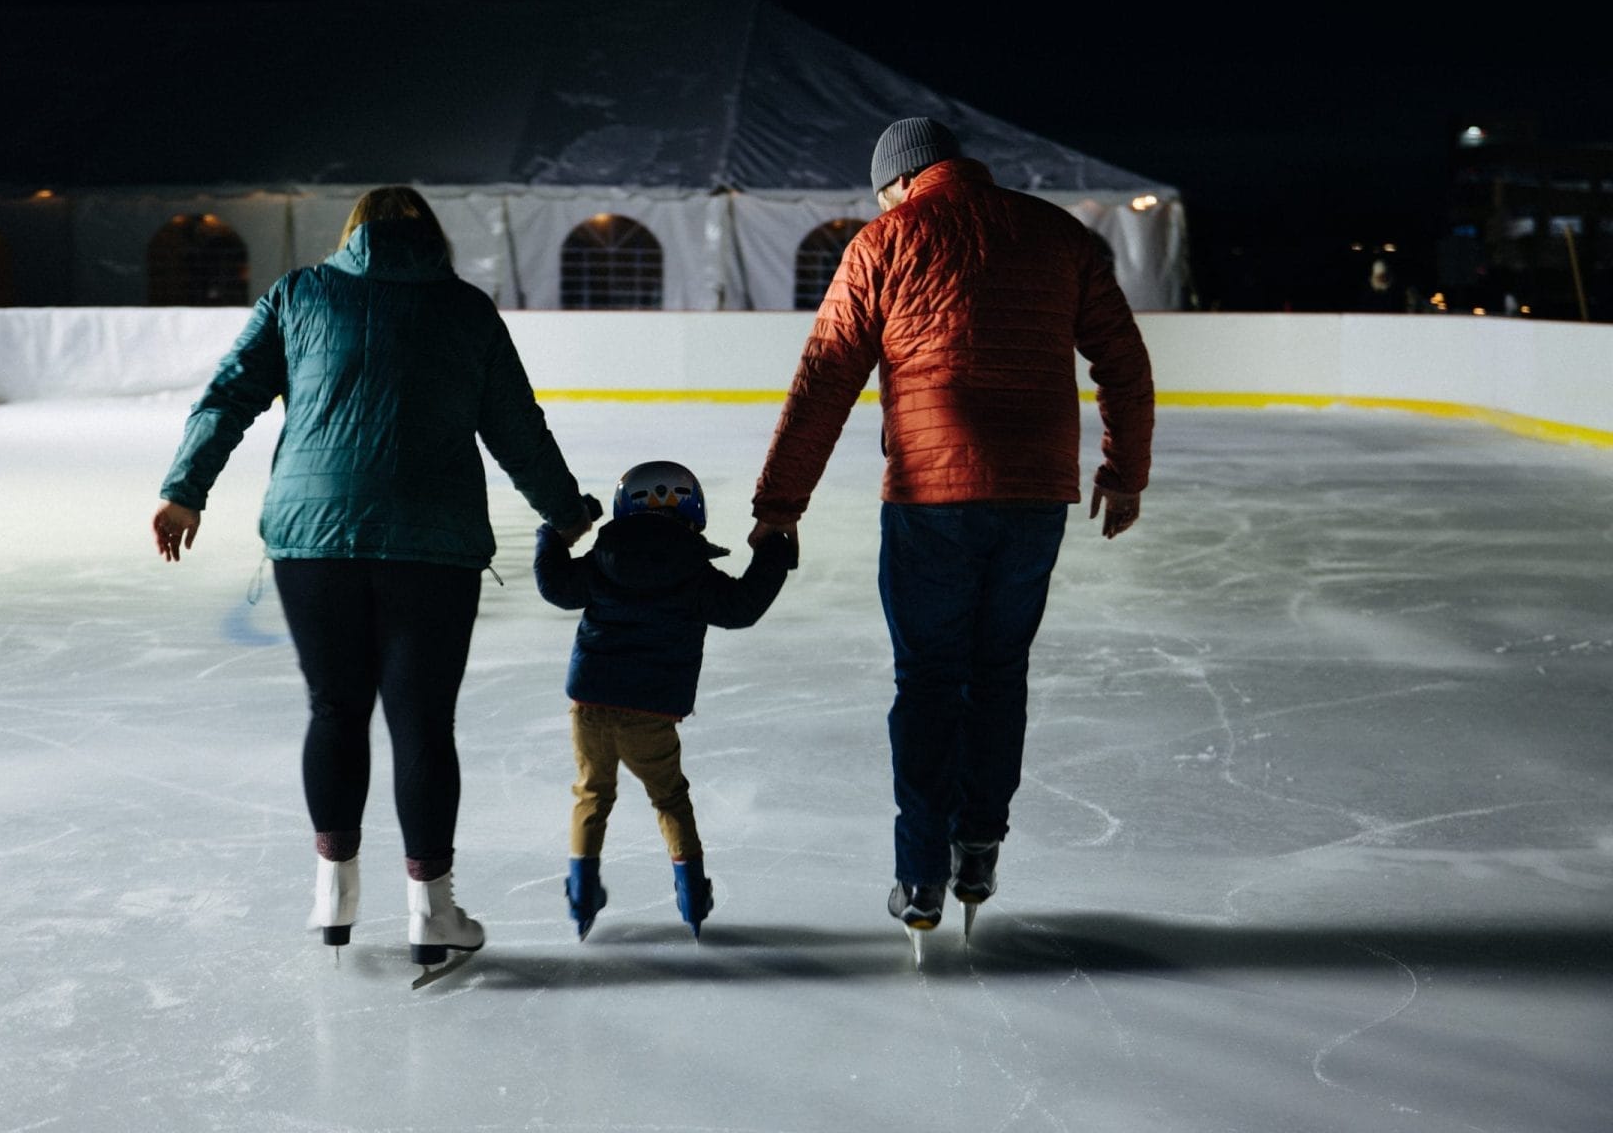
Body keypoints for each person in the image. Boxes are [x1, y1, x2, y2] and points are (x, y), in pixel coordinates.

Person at [151, 185, 594, 975]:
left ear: (353, 234)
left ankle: (334, 892)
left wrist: (186, 489)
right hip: (431, 542)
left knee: (335, 707)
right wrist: (565, 512)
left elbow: (229, 396)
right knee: (422, 723)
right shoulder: (466, 310)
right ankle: (433, 908)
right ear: (432, 237)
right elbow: (517, 427)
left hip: (312, 538)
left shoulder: (300, 293)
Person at [747, 117, 1154, 938]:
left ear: (901, 181)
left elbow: (824, 378)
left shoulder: (886, 240)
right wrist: (1124, 472)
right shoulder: (1056, 233)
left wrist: (779, 506)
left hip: (932, 494)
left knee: (929, 680)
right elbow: (1124, 360)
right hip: (1037, 493)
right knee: (999, 672)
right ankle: (978, 848)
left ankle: (920, 874)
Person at [533, 460, 796, 939]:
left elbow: (556, 587)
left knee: (592, 794)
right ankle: (692, 893)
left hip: (590, 704)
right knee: (669, 798)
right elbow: (741, 608)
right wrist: (773, 552)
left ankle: (581, 893)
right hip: (651, 711)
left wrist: (552, 538)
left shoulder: (602, 558)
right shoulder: (695, 572)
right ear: (694, 510)